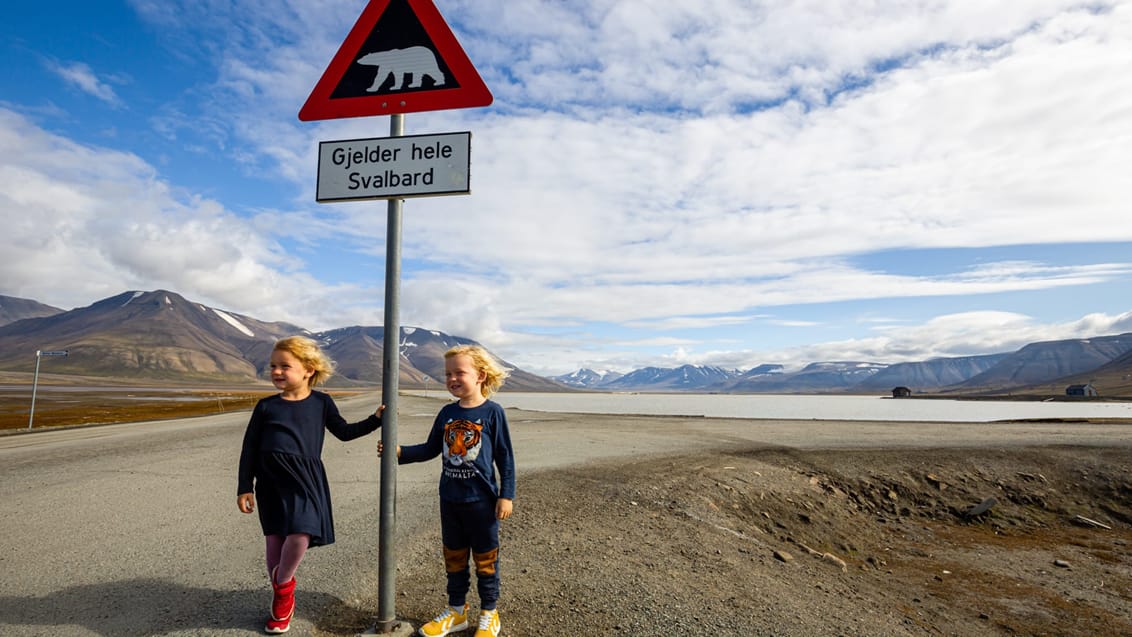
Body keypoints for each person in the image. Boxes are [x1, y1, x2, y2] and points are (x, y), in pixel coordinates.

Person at [238, 335, 384, 634]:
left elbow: (343, 432)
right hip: (270, 483)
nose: (277, 372)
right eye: (273, 366)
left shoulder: (321, 402)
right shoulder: (266, 407)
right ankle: (283, 602)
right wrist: (244, 486)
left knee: (301, 532)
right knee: (274, 545)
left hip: (305, 479)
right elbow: (249, 447)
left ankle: (283, 582)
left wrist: (376, 420)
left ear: (308, 369)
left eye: (285, 366)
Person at [380, 344, 516, 637]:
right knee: (453, 558)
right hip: (450, 500)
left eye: (459, 372)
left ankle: (489, 613)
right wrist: (399, 451)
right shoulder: (446, 412)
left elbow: (505, 457)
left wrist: (507, 495)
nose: (452, 378)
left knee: (486, 559)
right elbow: (431, 448)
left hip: (482, 502)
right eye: (448, 374)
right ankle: (457, 612)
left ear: (480, 375)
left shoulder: (493, 412)